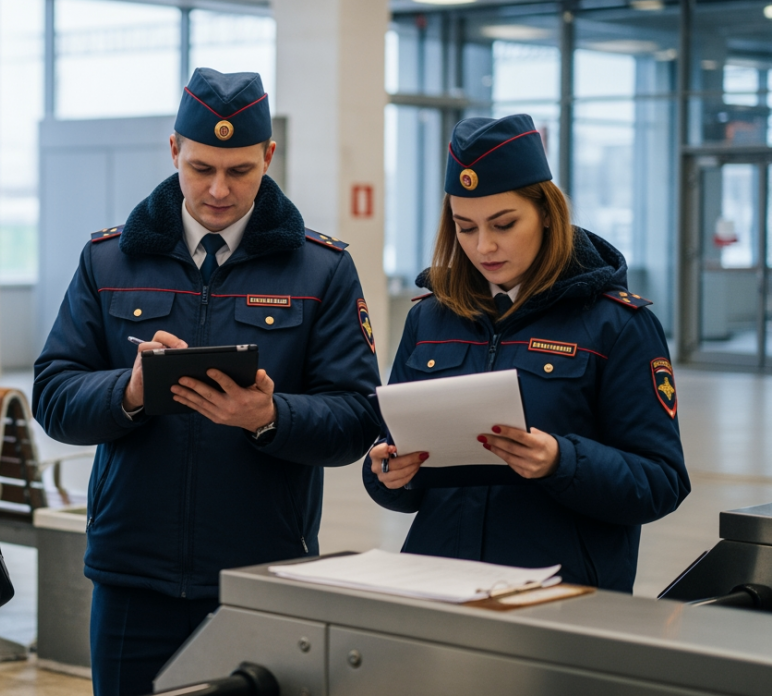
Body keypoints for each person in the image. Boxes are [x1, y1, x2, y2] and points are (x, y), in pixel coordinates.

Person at [34, 68, 383, 696]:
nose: (219, 190)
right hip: (132, 574)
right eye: (201, 168)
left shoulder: (321, 270)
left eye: (240, 170)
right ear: (174, 150)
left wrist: (270, 418)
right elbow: (54, 395)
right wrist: (130, 393)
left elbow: (358, 417)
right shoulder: (108, 260)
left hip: (262, 574)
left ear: (268, 157)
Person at [364, 114, 689, 592]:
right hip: (439, 586)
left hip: (559, 595)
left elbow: (661, 481)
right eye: (465, 228)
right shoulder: (429, 318)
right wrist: (388, 473)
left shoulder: (617, 324)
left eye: (504, 224)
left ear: (546, 213)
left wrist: (562, 461)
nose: (484, 246)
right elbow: (393, 454)